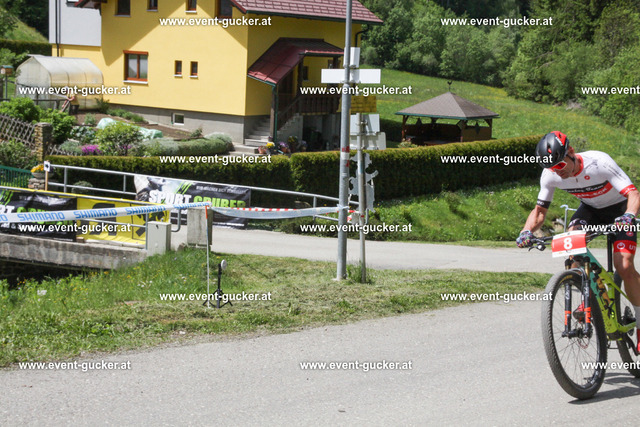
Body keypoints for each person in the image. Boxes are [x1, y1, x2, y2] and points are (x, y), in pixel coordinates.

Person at [517, 131, 640, 349]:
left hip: (621, 209)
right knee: (572, 244)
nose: (558, 171)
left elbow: (633, 193)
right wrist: (526, 231)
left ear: (571, 152)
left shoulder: (599, 162)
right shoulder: (550, 175)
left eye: (560, 165)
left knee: (623, 265)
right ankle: (587, 298)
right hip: (591, 210)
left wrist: (629, 215)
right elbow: (539, 212)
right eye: (552, 168)